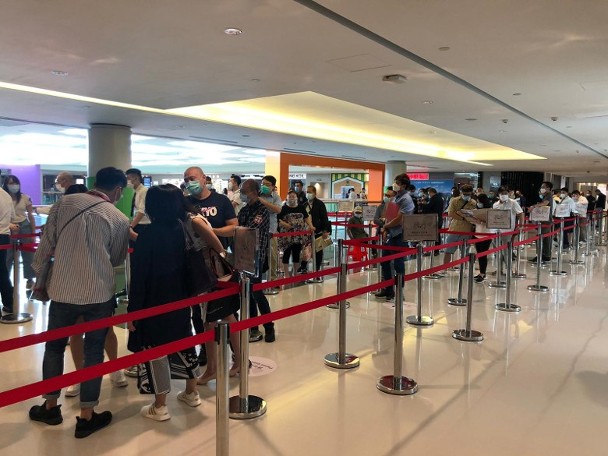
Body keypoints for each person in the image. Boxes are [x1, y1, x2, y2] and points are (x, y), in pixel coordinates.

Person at [29, 167, 129, 438]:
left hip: (62, 290)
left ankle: (50, 407)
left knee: (54, 348)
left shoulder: (64, 203)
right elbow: (116, 258)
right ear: (118, 190)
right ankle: (87, 416)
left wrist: (41, 278)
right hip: (99, 293)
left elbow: (45, 245)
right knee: (94, 352)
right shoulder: (118, 217)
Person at [128, 184, 207, 421]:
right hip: (182, 297)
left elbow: (139, 277)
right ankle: (191, 392)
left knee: (156, 349)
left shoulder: (148, 235)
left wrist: (133, 312)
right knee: (184, 340)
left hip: (153, 301)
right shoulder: (183, 228)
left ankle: (160, 405)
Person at [61, 183, 128, 397]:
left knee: (106, 329)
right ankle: (80, 375)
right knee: (76, 332)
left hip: (99, 284)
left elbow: (115, 253)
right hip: (71, 286)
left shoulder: (101, 217)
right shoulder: (62, 221)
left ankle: (114, 368)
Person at [183, 166, 237, 365]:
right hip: (195, 266)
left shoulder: (221, 201)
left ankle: (237, 353)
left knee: (227, 311)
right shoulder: (186, 203)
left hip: (218, 264)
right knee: (199, 313)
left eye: (193, 178)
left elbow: (234, 227)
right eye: (186, 180)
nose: (190, 182)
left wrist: (210, 231)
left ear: (204, 178)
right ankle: (206, 351)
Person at [238, 179, 275, 343]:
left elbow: (251, 231)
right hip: (242, 257)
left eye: (244, 191)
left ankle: (269, 327)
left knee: (257, 292)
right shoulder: (244, 210)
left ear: (254, 192)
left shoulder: (262, 211)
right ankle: (253, 327)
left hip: (256, 257)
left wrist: (238, 230)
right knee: (247, 293)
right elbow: (238, 228)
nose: (242, 194)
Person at [375, 173, 415, 301]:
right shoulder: (395, 198)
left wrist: (386, 226)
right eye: (395, 182)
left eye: (397, 183)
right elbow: (389, 215)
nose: (395, 185)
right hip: (390, 234)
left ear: (404, 185)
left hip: (399, 235)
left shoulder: (406, 199)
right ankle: (388, 290)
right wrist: (386, 228)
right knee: (385, 262)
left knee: (398, 264)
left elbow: (399, 219)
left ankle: (399, 291)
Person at [3, 175, 37, 289]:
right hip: (9, 227)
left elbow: (31, 215)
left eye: (15, 183)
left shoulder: (25, 197)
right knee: (8, 255)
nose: (14, 186)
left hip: (24, 225)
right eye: (11, 183)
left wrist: (33, 232)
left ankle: (30, 279)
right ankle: (5, 280)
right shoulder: (4, 198)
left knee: (28, 254)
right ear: (6, 185)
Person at [278, 190, 314, 280]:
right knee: (286, 254)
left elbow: (306, 217)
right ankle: (286, 273)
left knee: (296, 254)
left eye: (294, 196)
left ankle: (295, 273)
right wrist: (285, 224)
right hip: (287, 236)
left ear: (297, 198)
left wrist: (311, 226)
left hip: (299, 236)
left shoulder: (301, 207)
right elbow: (278, 219)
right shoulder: (283, 208)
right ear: (287, 198)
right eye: (290, 196)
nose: (292, 198)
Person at [298, 185, 331, 279]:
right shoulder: (304, 204)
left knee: (318, 251)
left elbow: (324, 218)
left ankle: (316, 269)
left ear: (315, 193)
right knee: (305, 250)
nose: (308, 193)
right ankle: (303, 266)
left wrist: (325, 230)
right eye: (307, 192)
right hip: (306, 231)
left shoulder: (320, 204)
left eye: (310, 192)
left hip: (318, 231)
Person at [442, 184, 476, 268]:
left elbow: (474, 215)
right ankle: (444, 268)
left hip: (467, 230)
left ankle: (464, 269)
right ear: (461, 192)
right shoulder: (454, 200)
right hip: (454, 229)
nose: (466, 196)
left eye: (468, 194)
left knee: (465, 252)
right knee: (448, 250)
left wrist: (462, 216)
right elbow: (450, 213)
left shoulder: (473, 202)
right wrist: (463, 218)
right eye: (465, 194)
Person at [259, 175, 283, 293]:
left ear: (273, 186)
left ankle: (273, 280)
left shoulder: (276, 197)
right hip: (258, 231)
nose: (264, 186)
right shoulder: (257, 195)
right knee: (258, 256)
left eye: (267, 184)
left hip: (271, 231)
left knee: (272, 256)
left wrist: (263, 202)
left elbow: (278, 210)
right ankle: (257, 280)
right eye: (263, 184)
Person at [492, 186, 524, 269]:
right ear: (499, 194)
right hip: (496, 231)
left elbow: (520, 213)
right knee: (497, 251)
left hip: (507, 231)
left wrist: (520, 225)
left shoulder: (513, 202)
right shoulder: (495, 205)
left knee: (506, 251)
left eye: (505, 193)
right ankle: (499, 270)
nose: (504, 195)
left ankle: (509, 269)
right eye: (502, 193)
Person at [469, 194, 493, 283]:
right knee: (479, 254)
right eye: (478, 202)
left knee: (483, 254)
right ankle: (481, 272)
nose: (478, 203)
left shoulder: (490, 210)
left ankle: (483, 273)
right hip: (477, 234)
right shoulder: (476, 210)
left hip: (487, 234)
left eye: (480, 202)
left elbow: (492, 223)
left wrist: (482, 221)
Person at [528, 181, 554, 263]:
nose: (541, 188)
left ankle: (540, 255)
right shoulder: (545, 196)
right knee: (545, 239)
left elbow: (545, 203)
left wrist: (534, 206)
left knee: (540, 237)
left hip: (546, 221)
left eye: (543, 187)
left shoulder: (548, 196)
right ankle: (546, 255)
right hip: (544, 220)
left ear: (548, 188)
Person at [0, 187, 16, 315]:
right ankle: (9, 303)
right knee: (2, 271)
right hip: (4, 236)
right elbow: (12, 216)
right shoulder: (6, 195)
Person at [125, 168, 151, 243]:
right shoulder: (136, 191)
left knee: (139, 246)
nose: (127, 181)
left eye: (128, 178)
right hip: (138, 224)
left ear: (136, 178)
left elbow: (142, 211)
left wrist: (131, 226)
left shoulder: (144, 191)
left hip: (143, 225)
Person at [421, 187, 444, 254]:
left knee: (432, 235)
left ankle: (432, 250)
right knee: (437, 235)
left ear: (431, 192)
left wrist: (423, 204)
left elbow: (429, 208)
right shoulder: (440, 198)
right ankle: (436, 250)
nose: (429, 195)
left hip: (433, 219)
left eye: (429, 194)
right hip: (439, 218)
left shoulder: (433, 198)